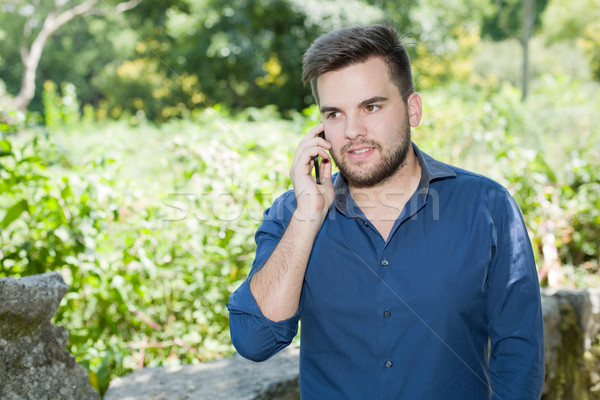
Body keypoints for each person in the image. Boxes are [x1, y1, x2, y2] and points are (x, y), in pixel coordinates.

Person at [227, 24, 545, 399]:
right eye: (334, 114)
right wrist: (308, 216)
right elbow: (254, 341)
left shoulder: (488, 207)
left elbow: (519, 356)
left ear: (412, 109)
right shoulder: (290, 214)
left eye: (371, 107)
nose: (352, 131)